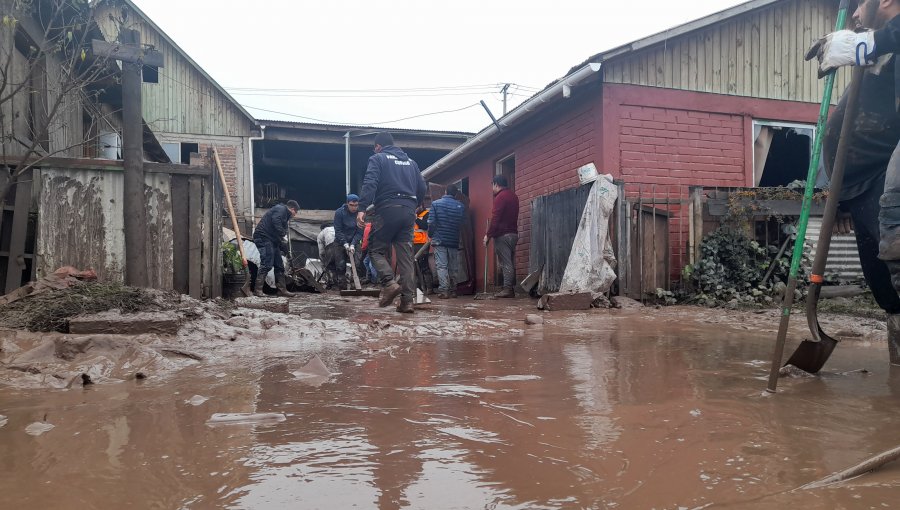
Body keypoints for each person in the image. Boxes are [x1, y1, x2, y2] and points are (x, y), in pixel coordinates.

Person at [808, 0, 900, 364]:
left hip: (885, 180)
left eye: (861, 5)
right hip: (858, 188)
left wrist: (871, 43)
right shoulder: (883, 52)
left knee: (897, 258)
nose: (856, 16)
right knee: (882, 282)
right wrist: (840, 195)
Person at [356, 132, 427, 313]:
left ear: (378, 146)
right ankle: (407, 302)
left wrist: (362, 208)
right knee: (406, 258)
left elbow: (370, 182)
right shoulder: (412, 163)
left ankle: (389, 283)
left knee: (375, 250)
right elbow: (422, 187)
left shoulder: (378, 158)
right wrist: (416, 204)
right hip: (409, 211)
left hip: (387, 209)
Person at [252, 199, 299, 297]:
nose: (295, 215)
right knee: (267, 263)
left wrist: (286, 251)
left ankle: (282, 290)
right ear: (292, 209)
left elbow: (280, 236)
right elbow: (275, 221)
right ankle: (258, 290)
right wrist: (282, 233)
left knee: (279, 266)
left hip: (272, 240)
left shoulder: (285, 217)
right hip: (263, 237)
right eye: (296, 212)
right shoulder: (280, 209)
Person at [483, 175, 519, 298]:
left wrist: (488, 235)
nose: (492, 188)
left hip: (503, 235)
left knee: (505, 262)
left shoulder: (500, 197)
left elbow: (496, 218)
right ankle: (509, 288)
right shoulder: (514, 196)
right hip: (513, 234)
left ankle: (508, 289)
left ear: (496, 184)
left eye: (492, 185)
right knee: (510, 261)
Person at [428, 184, 465, 299]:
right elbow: (462, 223)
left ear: (445, 191)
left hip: (439, 240)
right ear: (455, 194)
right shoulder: (460, 206)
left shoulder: (435, 204)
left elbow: (431, 222)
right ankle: (454, 290)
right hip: (454, 240)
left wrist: (430, 235)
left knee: (442, 266)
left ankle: (444, 291)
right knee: (453, 267)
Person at [334, 194, 363, 289]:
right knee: (340, 265)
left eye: (356, 205)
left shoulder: (360, 214)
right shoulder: (339, 213)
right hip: (340, 241)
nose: (354, 208)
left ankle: (356, 286)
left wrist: (353, 244)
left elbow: (360, 232)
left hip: (354, 241)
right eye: (351, 205)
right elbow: (338, 230)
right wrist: (345, 244)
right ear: (347, 203)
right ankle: (342, 287)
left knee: (357, 264)